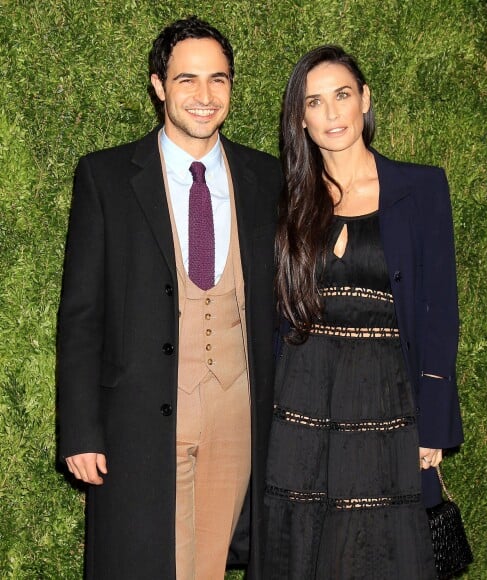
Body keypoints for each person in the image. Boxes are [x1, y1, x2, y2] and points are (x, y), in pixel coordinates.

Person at [57, 15, 281, 580]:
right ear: (159, 85)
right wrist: (81, 428)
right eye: (187, 80)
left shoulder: (267, 177)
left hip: (237, 416)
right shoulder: (106, 177)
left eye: (219, 80)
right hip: (140, 419)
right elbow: (82, 314)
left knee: (205, 569)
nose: (205, 97)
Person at [263, 45, 464, 579]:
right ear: (300, 119)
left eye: (342, 96)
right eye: (314, 102)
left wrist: (434, 426)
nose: (331, 114)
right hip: (302, 400)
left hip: (386, 399)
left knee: (378, 553)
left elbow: (441, 311)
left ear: (365, 100)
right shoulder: (286, 199)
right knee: (304, 549)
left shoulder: (421, 188)